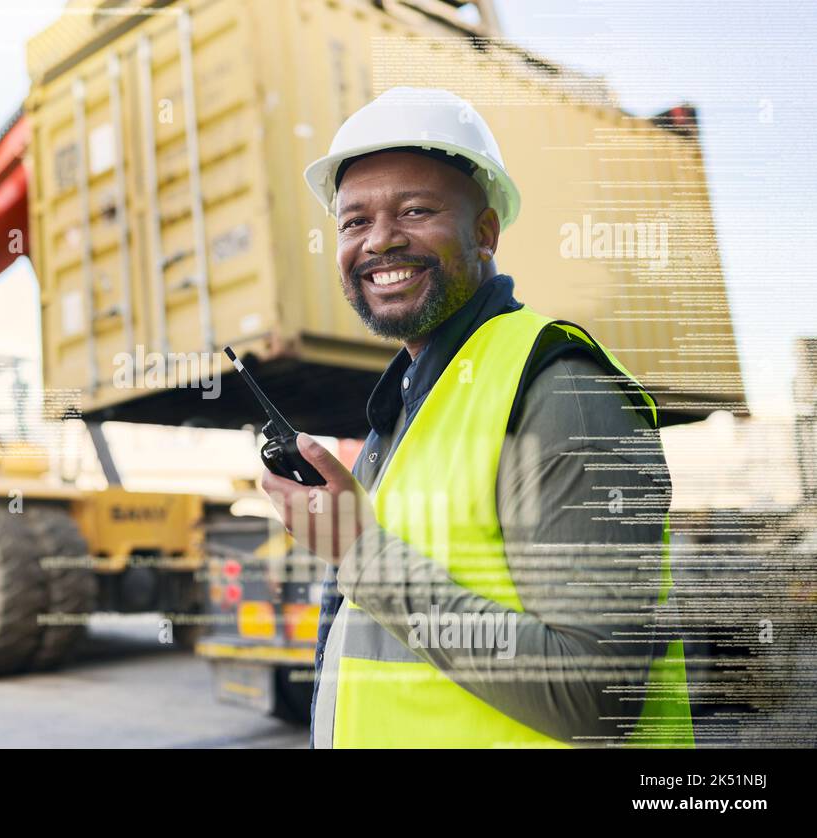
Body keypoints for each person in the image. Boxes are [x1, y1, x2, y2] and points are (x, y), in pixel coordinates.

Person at [260, 87, 694, 748]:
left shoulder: (562, 394)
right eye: (354, 221)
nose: (380, 241)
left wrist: (359, 554)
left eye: (416, 210)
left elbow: (594, 694)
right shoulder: (404, 411)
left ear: (485, 233)